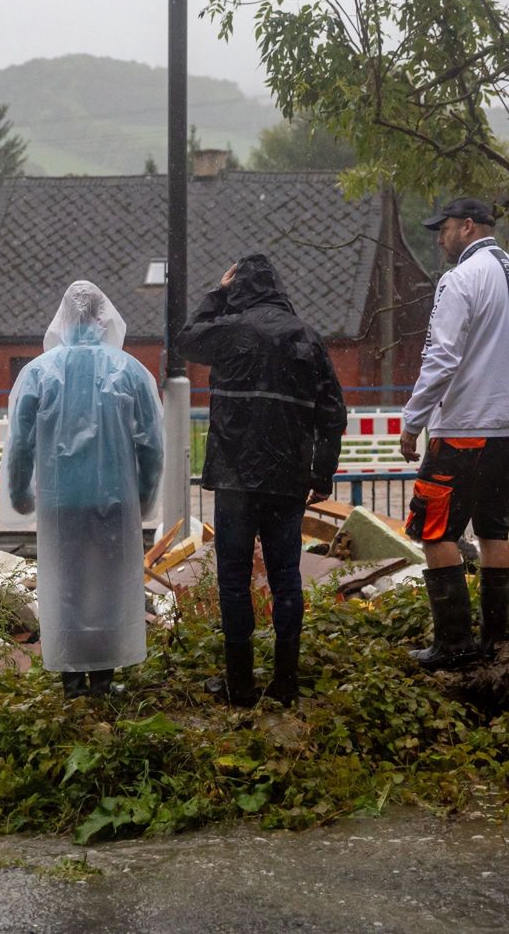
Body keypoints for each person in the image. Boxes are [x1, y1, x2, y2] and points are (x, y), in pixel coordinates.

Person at [174, 253, 347, 707]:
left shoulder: (228, 333)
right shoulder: (307, 338)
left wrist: (217, 291)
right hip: (288, 480)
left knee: (233, 580)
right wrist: (322, 475)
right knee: (286, 577)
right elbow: (333, 412)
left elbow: (185, 341)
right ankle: (286, 682)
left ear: (239, 290)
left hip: (235, 480)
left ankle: (239, 686)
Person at [399, 197, 509, 670]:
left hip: (465, 428)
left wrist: (413, 420)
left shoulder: (459, 279)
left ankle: (453, 644)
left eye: (443, 229)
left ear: (467, 227)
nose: (439, 238)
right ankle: (495, 641)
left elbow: (442, 356)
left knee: (434, 529)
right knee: (493, 530)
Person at [3, 281, 165, 699]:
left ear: (63, 318)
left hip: (61, 502)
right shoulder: (130, 371)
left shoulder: (39, 372)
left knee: (66, 586)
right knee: (110, 588)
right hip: (115, 499)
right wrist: (145, 497)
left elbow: (21, 443)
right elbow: (151, 444)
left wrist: (21, 492)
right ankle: (104, 680)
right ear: (103, 318)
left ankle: (71, 681)